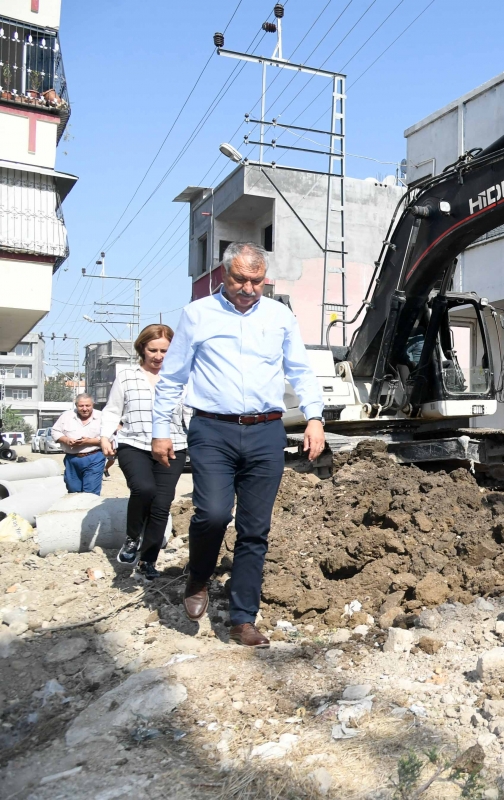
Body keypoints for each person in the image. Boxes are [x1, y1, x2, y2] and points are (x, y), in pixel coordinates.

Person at [152, 242, 325, 648]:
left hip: (266, 432)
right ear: (223, 274)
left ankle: (242, 619)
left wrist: (315, 417)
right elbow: (173, 378)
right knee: (213, 514)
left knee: (255, 529)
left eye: (256, 281)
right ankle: (198, 576)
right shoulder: (197, 314)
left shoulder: (280, 317)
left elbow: (300, 370)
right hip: (213, 430)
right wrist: (161, 430)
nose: (248, 288)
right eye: (240, 279)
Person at [101, 323, 187, 581]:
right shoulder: (127, 376)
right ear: (142, 349)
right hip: (134, 444)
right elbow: (113, 410)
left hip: (174, 445)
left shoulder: (181, 378)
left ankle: (148, 561)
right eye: (153, 350)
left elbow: (191, 413)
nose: (158, 356)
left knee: (161, 505)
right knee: (144, 489)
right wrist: (105, 436)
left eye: (164, 351)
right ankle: (132, 538)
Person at [51, 394, 105, 494]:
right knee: (73, 491)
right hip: (72, 459)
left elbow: (110, 437)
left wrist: (89, 441)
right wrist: (66, 440)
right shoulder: (66, 416)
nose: (84, 409)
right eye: (81, 406)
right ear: (76, 405)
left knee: (90, 492)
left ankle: (90, 503)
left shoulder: (102, 416)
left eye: (87, 405)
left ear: (92, 405)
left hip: (94, 457)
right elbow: (55, 432)